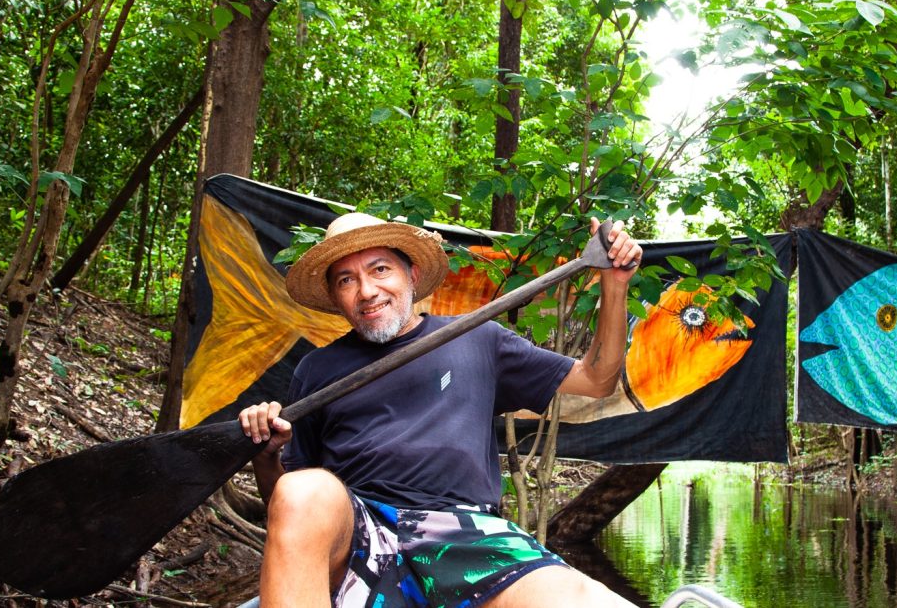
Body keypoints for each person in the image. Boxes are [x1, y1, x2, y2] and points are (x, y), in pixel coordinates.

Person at [239, 211, 642, 608]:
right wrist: (265, 455)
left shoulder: (476, 338)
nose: (367, 291)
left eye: (380, 269)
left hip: (466, 535)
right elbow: (290, 510)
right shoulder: (316, 370)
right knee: (301, 489)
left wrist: (615, 285)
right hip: (360, 536)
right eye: (346, 280)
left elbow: (596, 380)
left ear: (412, 275)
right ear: (334, 296)